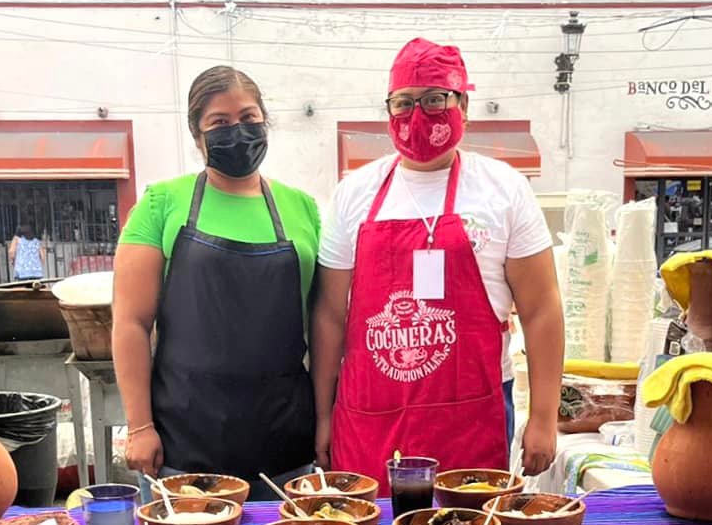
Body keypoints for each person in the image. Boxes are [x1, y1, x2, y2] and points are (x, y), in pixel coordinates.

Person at [311, 38, 563, 489]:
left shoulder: (503, 189)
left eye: (434, 99)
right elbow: (329, 315)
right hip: (369, 416)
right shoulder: (355, 193)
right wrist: (323, 416)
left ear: (463, 103)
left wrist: (544, 417)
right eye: (404, 103)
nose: (418, 115)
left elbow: (542, 308)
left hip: (471, 415)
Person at [113, 66, 321, 498]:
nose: (238, 132)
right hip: (185, 441)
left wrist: (327, 422)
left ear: (265, 121)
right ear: (197, 136)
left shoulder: (302, 208)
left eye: (248, 118)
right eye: (219, 123)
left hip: (285, 440)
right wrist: (140, 426)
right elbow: (131, 323)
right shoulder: (162, 202)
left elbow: (325, 324)